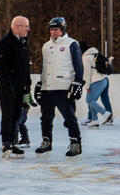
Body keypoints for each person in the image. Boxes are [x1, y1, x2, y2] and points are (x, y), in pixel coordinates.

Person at [34, 16, 83, 156]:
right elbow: (44, 67)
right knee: (45, 118)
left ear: (62, 30)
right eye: (51, 29)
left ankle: (75, 143)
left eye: (56, 29)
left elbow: (78, 65)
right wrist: (40, 83)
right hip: (47, 88)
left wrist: (78, 81)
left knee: (69, 118)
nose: (53, 32)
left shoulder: (71, 44)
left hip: (64, 87)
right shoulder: (46, 46)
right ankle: (46, 141)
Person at [0, 16, 32, 158]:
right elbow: (1, 67)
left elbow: (25, 67)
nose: (28, 29)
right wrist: (7, 84)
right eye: (26, 26)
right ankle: (6, 142)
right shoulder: (5, 43)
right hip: (7, 87)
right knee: (8, 114)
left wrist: (27, 85)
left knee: (17, 115)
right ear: (17, 26)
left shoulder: (23, 43)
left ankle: (13, 141)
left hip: (20, 86)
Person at [82, 48, 113, 127]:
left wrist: (87, 86)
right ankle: (94, 121)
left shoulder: (85, 57)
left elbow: (86, 73)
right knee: (93, 101)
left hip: (95, 81)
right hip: (104, 79)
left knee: (89, 100)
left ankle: (106, 114)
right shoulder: (96, 54)